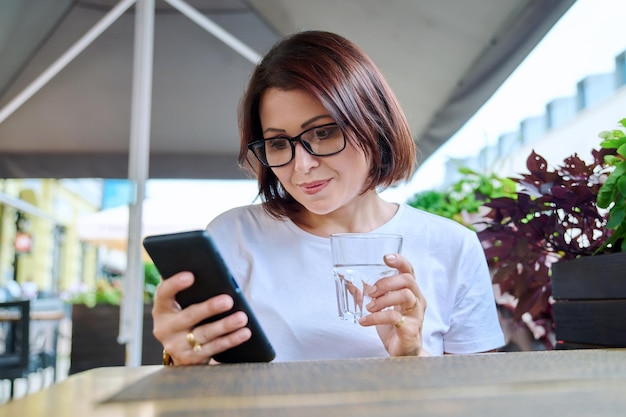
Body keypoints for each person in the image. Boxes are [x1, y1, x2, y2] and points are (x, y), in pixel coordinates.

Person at [152, 30, 505, 365]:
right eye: (278, 143)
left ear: (373, 122)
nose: (301, 166)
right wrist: (181, 358)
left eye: (322, 133)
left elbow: (480, 401)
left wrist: (413, 357)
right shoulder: (234, 236)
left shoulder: (452, 246)